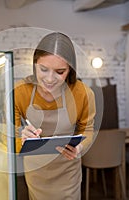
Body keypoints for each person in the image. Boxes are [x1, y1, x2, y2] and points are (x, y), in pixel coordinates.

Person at [14, 32, 96, 200]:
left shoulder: (83, 93)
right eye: (43, 69)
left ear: (70, 70)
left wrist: (80, 147)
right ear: (34, 64)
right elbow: (8, 134)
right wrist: (20, 137)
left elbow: (87, 130)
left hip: (68, 173)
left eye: (60, 72)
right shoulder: (20, 91)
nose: (50, 79)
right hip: (36, 174)